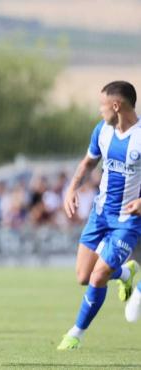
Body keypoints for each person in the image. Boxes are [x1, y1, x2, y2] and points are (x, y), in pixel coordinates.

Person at [57, 81, 141, 350]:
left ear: (116, 106)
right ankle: (125, 276)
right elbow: (89, 162)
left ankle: (75, 334)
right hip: (100, 214)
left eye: (102, 105)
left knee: (97, 277)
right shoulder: (102, 131)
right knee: (83, 276)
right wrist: (72, 188)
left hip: (127, 221)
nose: (99, 110)